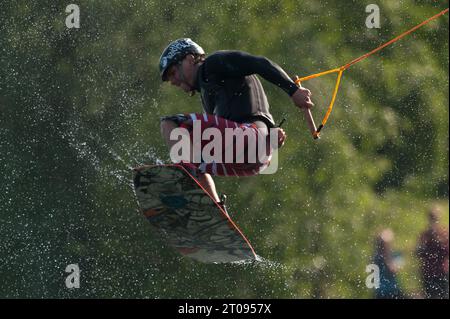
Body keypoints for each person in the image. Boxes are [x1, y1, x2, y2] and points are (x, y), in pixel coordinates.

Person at [158, 38, 314, 212]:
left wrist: (293, 91)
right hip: (254, 159)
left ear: (190, 58)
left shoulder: (214, 64)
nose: (172, 81)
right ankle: (216, 210)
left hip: (252, 139)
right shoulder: (208, 94)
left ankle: (185, 179)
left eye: (172, 72)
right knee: (195, 159)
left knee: (169, 124)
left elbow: (259, 63)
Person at [416, 206, 449, 299]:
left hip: (440, 272)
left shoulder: (444, 233)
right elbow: (418, 252)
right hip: (429, 272)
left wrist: (440, 241)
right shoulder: (425, 235)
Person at [372, 228, 404, 299]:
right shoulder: (377, 256)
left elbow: (394, 269)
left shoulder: (396, 254)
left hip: (393, 289)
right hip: (381, 291)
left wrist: (387, 253)